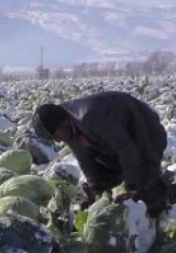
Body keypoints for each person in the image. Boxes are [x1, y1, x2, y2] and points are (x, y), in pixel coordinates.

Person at [32, 91, 169, 215]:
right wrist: (98, 192)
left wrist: (131, 187)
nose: (58, 141)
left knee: (145, 182)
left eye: (55, 136)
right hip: (116, 139)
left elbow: (125, 148)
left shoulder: (89, 116)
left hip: (145, 130)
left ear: (62, 123)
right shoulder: (68, 129)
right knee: (109, 180)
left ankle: (166, 197)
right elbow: (85, 160)